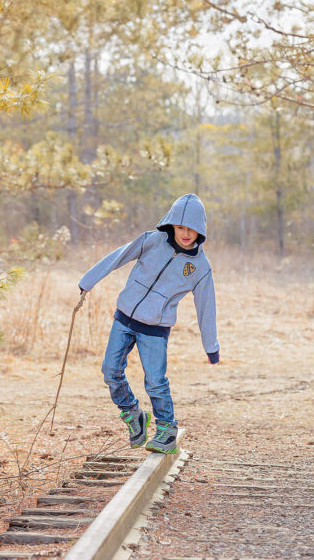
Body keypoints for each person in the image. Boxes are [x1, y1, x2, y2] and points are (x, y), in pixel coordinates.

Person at [78, 193, 219, 453]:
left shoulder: (200, 267)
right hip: (124, 318)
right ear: (171, 224)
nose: (185, 233)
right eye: (180, 227)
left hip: (155, 329)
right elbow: (117, 257)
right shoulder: (151, 241)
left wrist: (211, 346)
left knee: (155, 381)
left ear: (200, 229)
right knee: (110, 372)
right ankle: (133, 414)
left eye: (191, 228)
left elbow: (206, 307)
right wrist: (88, 281)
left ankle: (166, 429)